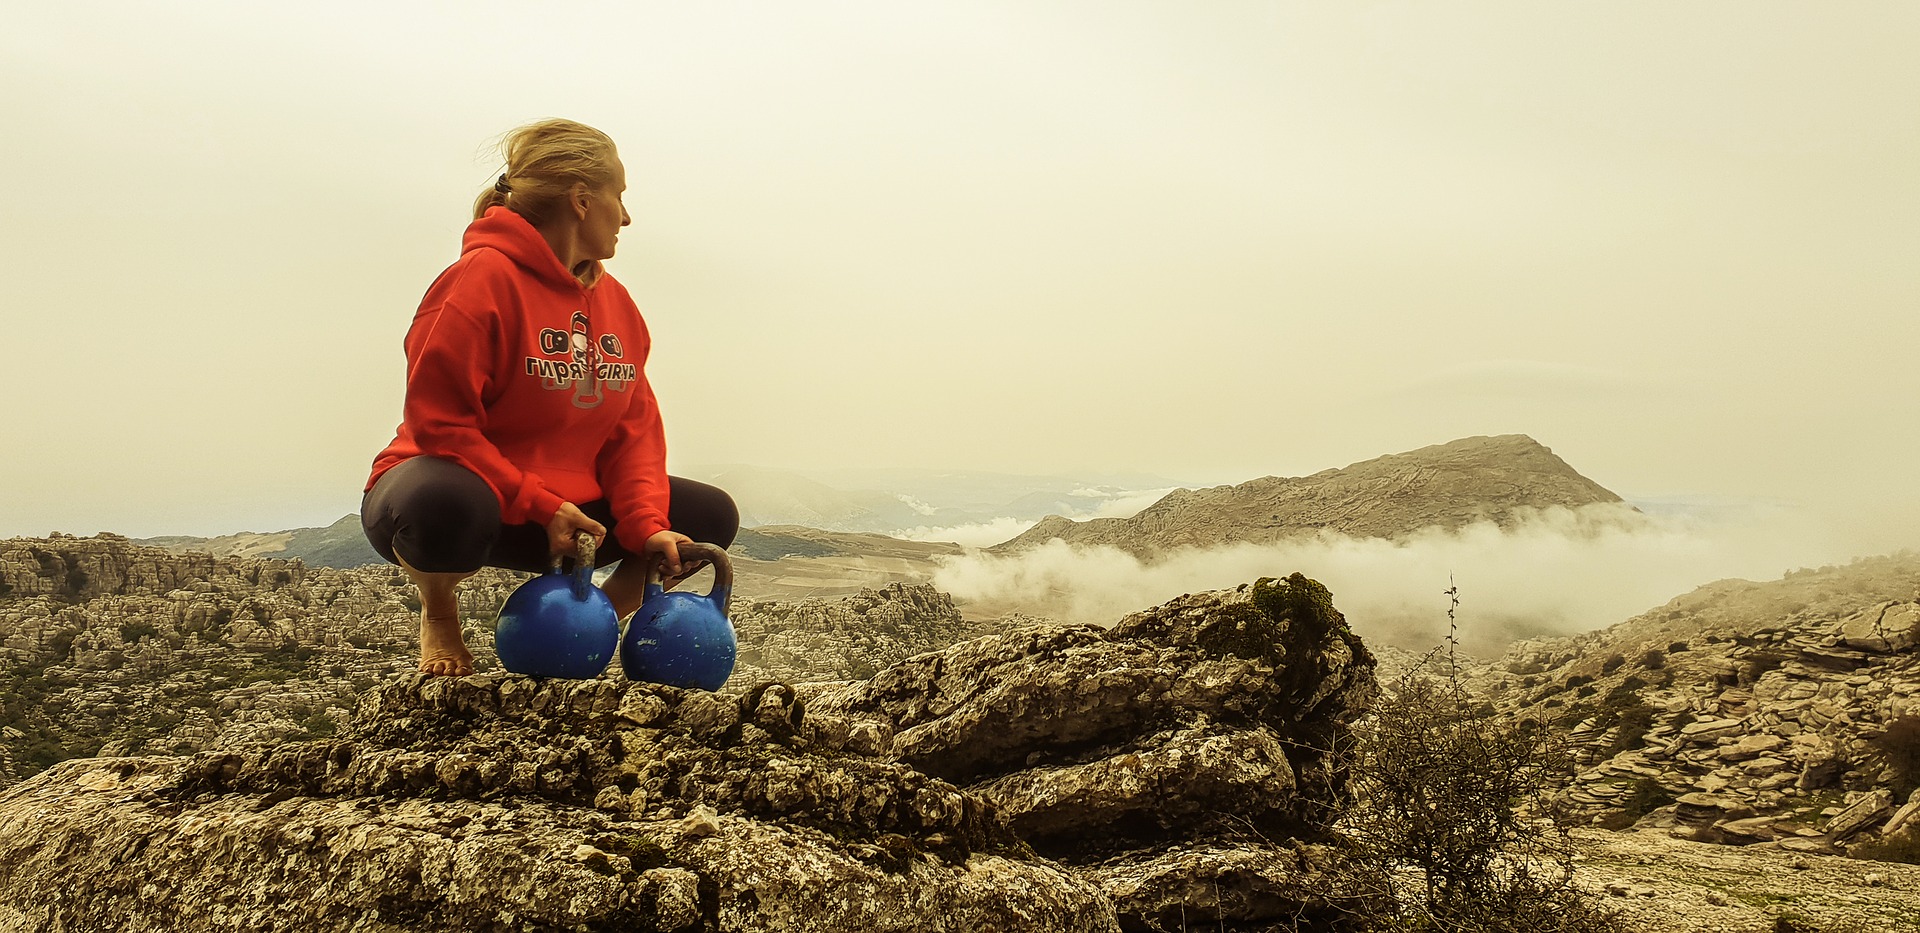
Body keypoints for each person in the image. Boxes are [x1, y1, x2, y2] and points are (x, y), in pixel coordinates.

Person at [362, 118, 737, 677]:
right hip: (472, 500)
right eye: (621, 197)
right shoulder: (478, 282)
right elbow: (441, 427)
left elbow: (632, 435)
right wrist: (540, 504)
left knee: (709, 514)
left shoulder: (617, 305)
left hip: (571, 516)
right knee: (442, 505)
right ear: (583, 201)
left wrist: (647, 524)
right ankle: (439, 613)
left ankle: (593, 621)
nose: (627, 216)